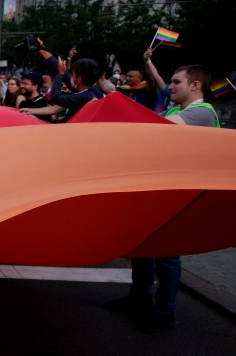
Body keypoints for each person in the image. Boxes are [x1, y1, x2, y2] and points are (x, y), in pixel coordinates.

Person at [107, 64, 220, 330]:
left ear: (195, 85)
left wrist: (117, 107)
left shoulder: (202, 112)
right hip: (162, 189)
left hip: (181, 194)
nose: (170, 86)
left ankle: (164, 310)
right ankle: (140, 298)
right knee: (144, 247)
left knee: (167, 253)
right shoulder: (174, 110)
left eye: (176, 82)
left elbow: (155, 128)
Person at [19, 58, 102, 121]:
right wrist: (30, 111)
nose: (71, 77)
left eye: (72, 75)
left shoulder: (88, 96)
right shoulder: (86, 94)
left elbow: (55, 97)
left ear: (78, 79)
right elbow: (55, 109)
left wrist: (60, 74)